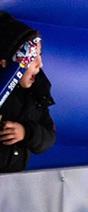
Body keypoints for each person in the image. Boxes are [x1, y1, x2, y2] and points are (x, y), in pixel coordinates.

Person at [0, 12, 55, 173]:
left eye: (40, 55)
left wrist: (26, 132)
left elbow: (49, 135)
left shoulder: (37, 94)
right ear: (4, 62)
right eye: (32, 58)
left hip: (15, 183)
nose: (40, 64)